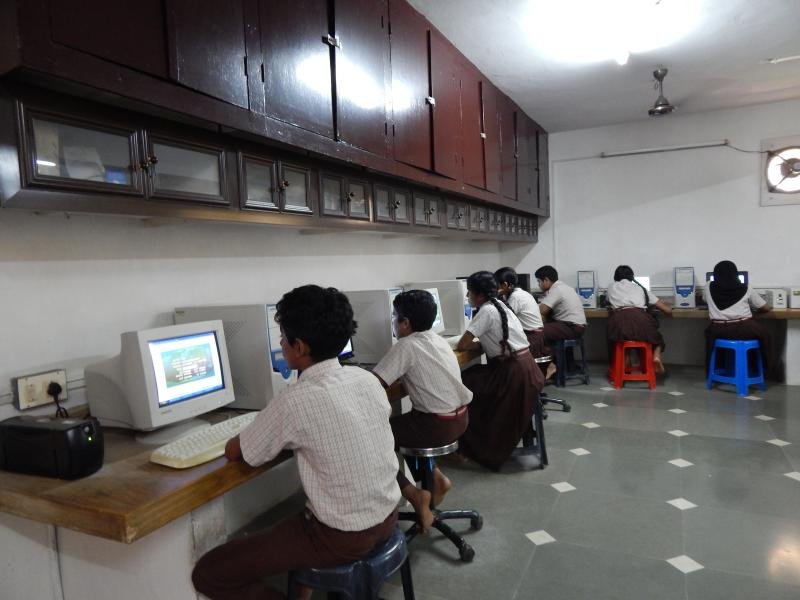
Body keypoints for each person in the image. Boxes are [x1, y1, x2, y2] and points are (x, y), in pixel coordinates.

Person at [191, 285, 401, 600]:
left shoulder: (295, 400)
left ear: (299, 347)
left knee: (210, 571)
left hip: (340, 537)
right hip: (387, 517)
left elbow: (237, 452)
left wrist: (251, 426)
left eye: (282, 338)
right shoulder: (367, 380)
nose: (280, 344)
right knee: (290, 526)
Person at [372, 290, 472, 532]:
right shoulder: (437, 339)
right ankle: (436, 478)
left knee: (373, 437)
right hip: (460, 419)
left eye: (394, 316)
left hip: (435, 426)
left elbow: (374, 383)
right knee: (404, 427)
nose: (393, 322)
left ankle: (415, 494)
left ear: (405, 323)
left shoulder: (406, 346)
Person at [453, 271, 544, 471]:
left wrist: (472, 343)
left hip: (513, 375)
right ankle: (467, 445)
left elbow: (462, 344)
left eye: (469, 292)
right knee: (472, 377)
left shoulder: (486, 311)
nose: (467, 296)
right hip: (527, 370)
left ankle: (471, 447)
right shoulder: (501, 305)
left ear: (479, 295)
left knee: (464, 386)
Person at [704, 260, 782, 381]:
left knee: (708, 333)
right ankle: (767, 370)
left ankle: (715, 369)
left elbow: (705, 300)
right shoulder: (746, 287)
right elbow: (765, 307)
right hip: (743, 329)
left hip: (717, 330)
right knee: (766, 336)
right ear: (735, 273)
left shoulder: (708, 286)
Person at [606, 265, 673, 374]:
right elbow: (667, 310)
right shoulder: (641, 289)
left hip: (619, 323)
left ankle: (624, 364)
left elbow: (608, 301)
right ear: (632, 277)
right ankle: (656, 356)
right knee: (657, 339)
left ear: (616, 277)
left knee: (618, 339)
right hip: (641, 321)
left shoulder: (611, 287)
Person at [534, 265, 588, 380]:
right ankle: (567, 365)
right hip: (576, 326)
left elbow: (542, 310)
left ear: (546, 280)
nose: (539, 285)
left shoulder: (556, 290)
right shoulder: (564, 287)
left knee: (537, 332)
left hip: (571, 327)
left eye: (539, 281)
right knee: (548, 327)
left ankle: (550, 366)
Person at [494, 266, 545, 358]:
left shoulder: (515, 297)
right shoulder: (522, 293)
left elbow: (504, 320)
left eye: (497, 285)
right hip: (536, 335)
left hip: (532, 337)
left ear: (505, 285)